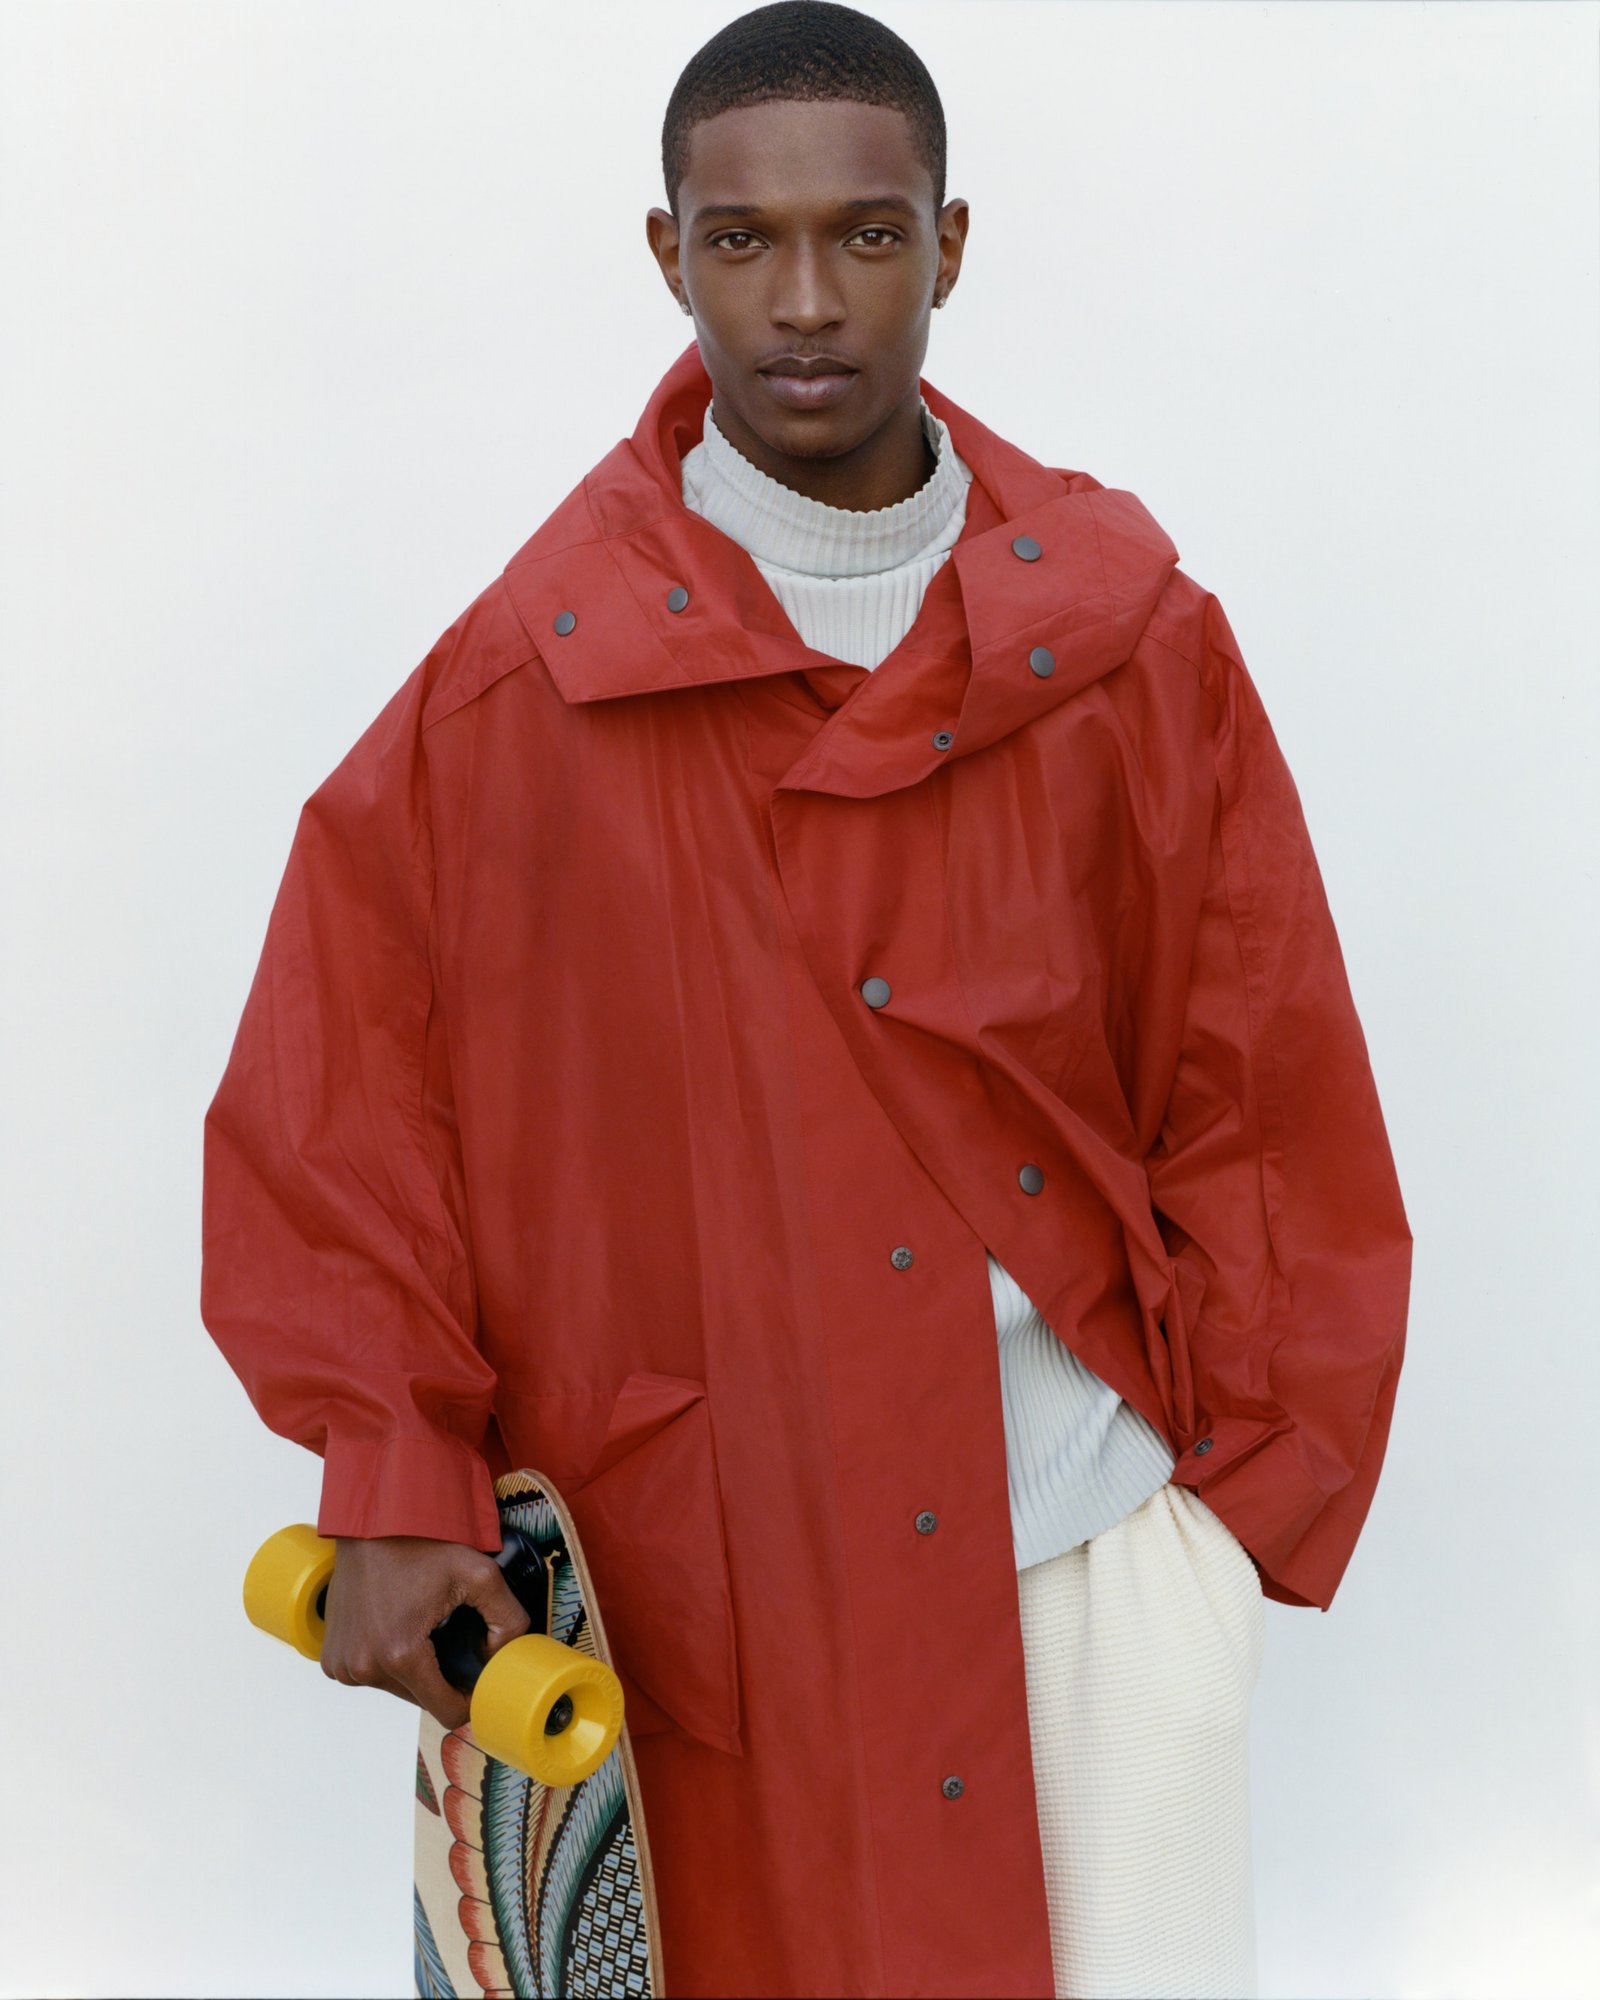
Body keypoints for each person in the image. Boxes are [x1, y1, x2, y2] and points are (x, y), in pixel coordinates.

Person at [200, 5, 1413, 1997]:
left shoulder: (1131, 652)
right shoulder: (520, 692)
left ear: (949, 245)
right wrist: (395, 1465)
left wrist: (1240, 1503)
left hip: (1087, 1552)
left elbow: (1261, 1076)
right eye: (740, 240)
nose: (805, 304)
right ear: (665, 255)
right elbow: (339, 1100)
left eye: (865, 235)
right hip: (708, 1581)